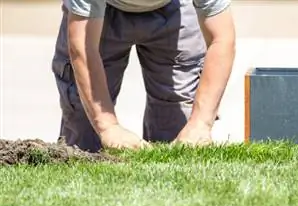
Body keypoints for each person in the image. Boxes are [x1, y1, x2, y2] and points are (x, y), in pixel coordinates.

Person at [52, 0, 235, 152]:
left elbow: (222, 38)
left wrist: (201, 123)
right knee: (84, 133)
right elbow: (83, 48)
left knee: (185, 137)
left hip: (174, 9)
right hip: (101, 10)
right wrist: (108, 127)